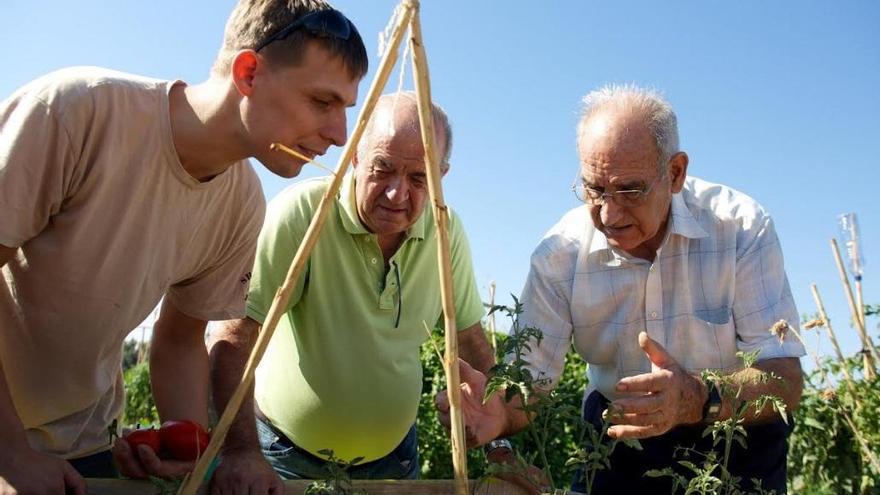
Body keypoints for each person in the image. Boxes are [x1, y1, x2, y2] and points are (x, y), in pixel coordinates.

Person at [0, 1, 367, 493]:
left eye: (345, 109)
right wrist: (11, 452)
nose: (340, 135)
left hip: (84, 446)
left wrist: (190, 450)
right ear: (249, 72)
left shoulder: (240, 204)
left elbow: (179, 341)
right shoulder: (77, 111)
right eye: (323, 103)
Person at [442, 84, 806, 494]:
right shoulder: (560, 255)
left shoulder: (739, 228)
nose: (609, 214)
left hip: (733, 440)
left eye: (630, 190)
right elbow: (532, 379)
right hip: (617, 444)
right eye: (595, 189)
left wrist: (697, 397)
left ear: (675, 174)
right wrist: (499, 411)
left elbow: (784, 379)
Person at [207, 91, 496, 492]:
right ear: (356, 158)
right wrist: (240, 451)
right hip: (286, 460)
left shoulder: (445, 232)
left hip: (394, 462)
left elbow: (470, 341)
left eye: (418, 178)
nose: (398, 194)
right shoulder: (306, 214)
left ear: (440, 178)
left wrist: (502, 451)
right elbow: (235, 333)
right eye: (383, 168)